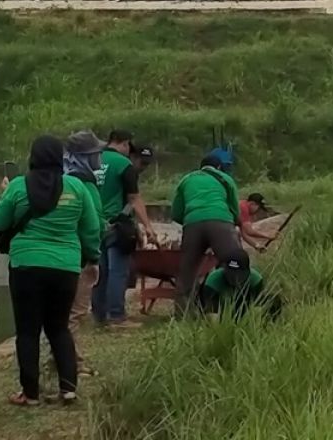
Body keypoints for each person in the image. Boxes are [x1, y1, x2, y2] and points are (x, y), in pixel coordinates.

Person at [0, 135, 101, 406]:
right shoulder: (76, 187)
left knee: (27, 331)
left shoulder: (18, 186)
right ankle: (68, 389)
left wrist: (6, 193)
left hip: (26, 266)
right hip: (65, 267)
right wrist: (92, 257)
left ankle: (30, 394)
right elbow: (91, 228)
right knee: (59, 328)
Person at [93, 130, 160, 328]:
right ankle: (117, 316)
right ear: (124, 143)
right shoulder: (124, 165)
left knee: (100, 271)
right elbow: (134, 198)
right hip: (117, 225)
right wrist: (148, 226)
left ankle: (99, 316)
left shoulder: (95, 159)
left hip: (96, 224)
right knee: (117, 272)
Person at [170, 154, 242, 315]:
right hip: (221, 221)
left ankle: (183, 313)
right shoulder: (225, 178)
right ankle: (231, 306)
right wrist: (233, 222)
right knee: (232, 263)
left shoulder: (186, 179)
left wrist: (192, 220)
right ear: (218, 167)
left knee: (187, 269)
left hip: (192, 223)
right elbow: (235, 210)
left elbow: (175, 212)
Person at [62, 130, 105, 373]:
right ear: (85, 156)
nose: (100, 158)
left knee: (66, 313)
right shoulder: (82, 184)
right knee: (74, 313)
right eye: (96, 153)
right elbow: (92, 224)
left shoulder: (65, 179)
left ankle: (69, 357)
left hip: (64, 254)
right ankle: (69, 362)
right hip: (80, 256)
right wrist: (94, 255)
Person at [197, 249, 281, 320]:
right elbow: (210, 312)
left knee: (274, 300)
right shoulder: (213, 281)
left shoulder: (255, 280)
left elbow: (256, 306)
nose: (235, 280)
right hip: (221, 312)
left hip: (244, 309)